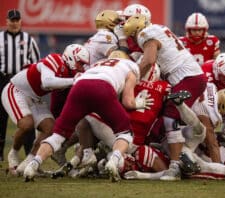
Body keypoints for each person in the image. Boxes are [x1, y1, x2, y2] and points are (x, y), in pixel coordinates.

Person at [23, 50, 152, 182]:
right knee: (125, 133)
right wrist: (138, 104)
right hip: (103, 87)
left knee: (58, 136)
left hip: (79, 87)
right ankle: (113, 161)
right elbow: (127, 102)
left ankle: (33, 164)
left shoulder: (97, 64)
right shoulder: (130, 68)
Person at [123, 14, 208, 181]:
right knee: (165, 115)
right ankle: (178, 153)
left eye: (132, 35)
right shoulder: (160, 28)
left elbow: (149, 60)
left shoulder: (145, 34)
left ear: (136, 31)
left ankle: (175, 166)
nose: (133, 39)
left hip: (186, 77)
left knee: (170, 117)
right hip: (191, 75)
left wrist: (133, 77)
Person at [1, 44, 89, 175]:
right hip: (16, 90)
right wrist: (74, 80)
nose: (82, 68)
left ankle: (29, 162)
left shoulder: (70, 73)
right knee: (27, 124)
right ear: (71, 58)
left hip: (35, 98)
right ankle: (13, 153)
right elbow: (47, 81)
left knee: (51, 129)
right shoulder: (56, 60)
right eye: (80, 63)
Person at [0, 9, 40, 161]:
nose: (15, 23)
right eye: (12, 20)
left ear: (21, 21)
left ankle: (29, 151)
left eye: (17, 20)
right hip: (3, 79)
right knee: (1, 118)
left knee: (26, 116)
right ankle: (0, 154)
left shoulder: (29, 40)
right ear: (7, 21)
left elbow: (36, 64)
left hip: (22, 82)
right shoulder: (0, 38)